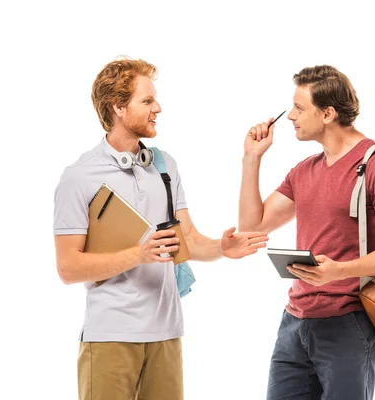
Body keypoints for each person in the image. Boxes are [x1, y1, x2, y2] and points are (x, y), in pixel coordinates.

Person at [53, 58, 269, 400]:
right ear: (118, 107)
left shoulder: (165, 166)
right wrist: (139, 254)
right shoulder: (79, 177)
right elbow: (68, 268)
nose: (158, 108)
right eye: (147, 101)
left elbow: (189, 240)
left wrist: (222, 249)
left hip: (166, 334)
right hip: (111, 336)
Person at [238, 65, 375, 400]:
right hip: (294, 322)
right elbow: (251, 228)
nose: (290, 116)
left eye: (299, 108)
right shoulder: (304, 171)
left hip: (349, 323)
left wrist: (340, 271)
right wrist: (251, 160)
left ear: (328, 113)